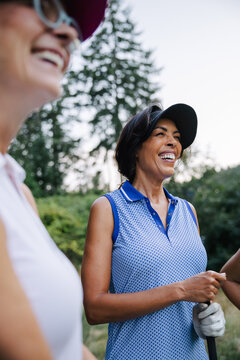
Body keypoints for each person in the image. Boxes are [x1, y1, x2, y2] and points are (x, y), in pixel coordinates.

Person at [0, 0, 107, 359]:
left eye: (73, 24)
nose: (68, 33)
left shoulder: (18, 189)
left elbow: (61, 346)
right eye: (45, 6)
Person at [81, 103, 226, 360]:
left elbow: (194, 290)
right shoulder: (108, 209)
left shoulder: (188, 211)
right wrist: (181, 290)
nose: (173, 142)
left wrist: (206, 317)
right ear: (136, 148)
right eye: (161, 134)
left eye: (177, 138)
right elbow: (95, 309)